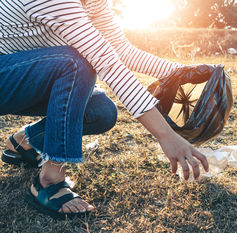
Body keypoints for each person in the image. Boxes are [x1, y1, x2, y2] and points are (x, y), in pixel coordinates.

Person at [0, 0, 208, 219]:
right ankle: (49, 180)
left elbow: (122, 51)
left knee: (100, 111)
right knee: (77, 62)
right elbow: (104, 60)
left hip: (20, 75)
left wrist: (190, 73)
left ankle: (24, 141)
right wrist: (165, 134)